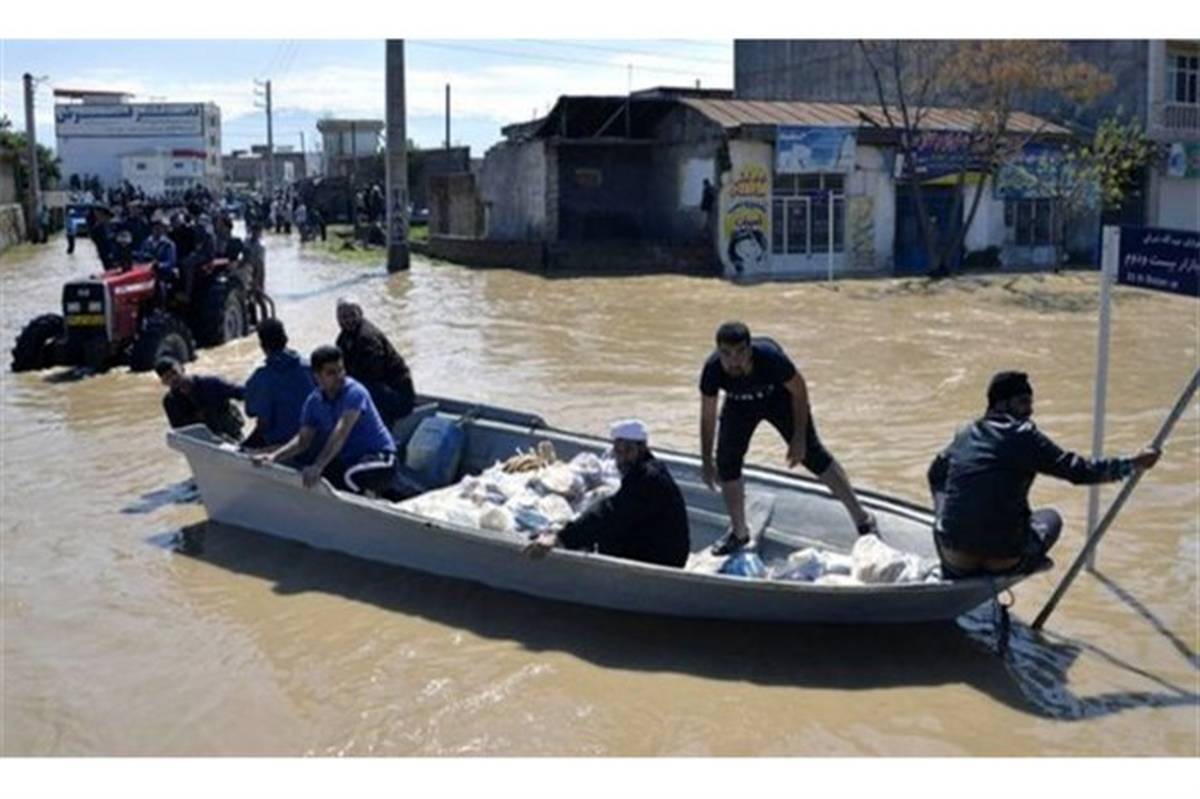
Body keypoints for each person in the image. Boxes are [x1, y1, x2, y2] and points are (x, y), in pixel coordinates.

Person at [927, 371, 1161, 579]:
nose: (1030, 411)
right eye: (1023, 402)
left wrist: (949, 515)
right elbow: (1078, 471)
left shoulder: (965, 432)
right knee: (1051, 518)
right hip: (1004, 558)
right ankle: (1025, 561)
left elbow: (935, 475)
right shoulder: (1025, 434)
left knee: (944, 499)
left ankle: (957, 550)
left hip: (956, 557)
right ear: (1000, 404)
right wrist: (1133, 464)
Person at [700, 321, 876, 555]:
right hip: (739, 404)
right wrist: (705, 460)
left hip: (779, 398)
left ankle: (862, 518)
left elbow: (800, 390)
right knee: (726, 463)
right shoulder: (713, 370)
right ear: (718, 352)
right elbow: (707, 416)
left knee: (813, 455)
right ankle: (739, 533)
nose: (734, 360)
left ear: (750, 349)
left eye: (740, 352)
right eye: (726, 354)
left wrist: (799, 438)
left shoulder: (770, 359)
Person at [525, 419, 690, 568]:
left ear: (642, 449)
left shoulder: (647, 478)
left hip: (664, 560)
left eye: (628, 451)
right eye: (618, 452)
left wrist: (560, 537)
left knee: (604, 532)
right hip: (669, 552)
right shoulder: (650, 468)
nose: (622, 459)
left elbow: (608, 512)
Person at [252, 345, 397, 497]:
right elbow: (302, 441)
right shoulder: (313, 402)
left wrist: (318, 466)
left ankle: (373, 505)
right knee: (320, 479)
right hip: (351, 462)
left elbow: (340, 432)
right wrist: (274, 456)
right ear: (317, 376)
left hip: (381, 459)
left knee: (348, 477)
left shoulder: (355, 392)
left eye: (341, 370)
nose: (339, 376)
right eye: (331, 373)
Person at [334, 299, 415, 428]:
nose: (349, 320)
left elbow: (373, 373)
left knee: (361, 388)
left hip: (398, 396)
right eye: (344, 317)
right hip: (382, 390)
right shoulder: (344, 338)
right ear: (337, 319)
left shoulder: (367, 338)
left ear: (360, 313)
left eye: (352, 315)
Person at [242, 318, 316, 450]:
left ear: (262, 346)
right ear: (286, 338)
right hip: (315, 440)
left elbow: (253, 413)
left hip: (282, 446)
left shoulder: (260, 378)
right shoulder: (312, 367)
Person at [155, 357, 245, 441]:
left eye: (174, 373)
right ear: (164, 382)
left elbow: (242, 393)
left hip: (232, 437)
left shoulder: (211, 384)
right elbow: (179, 430)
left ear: (182, 368)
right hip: (202, 445)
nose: (173, 379)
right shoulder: (170, 402)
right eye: (167, 377)